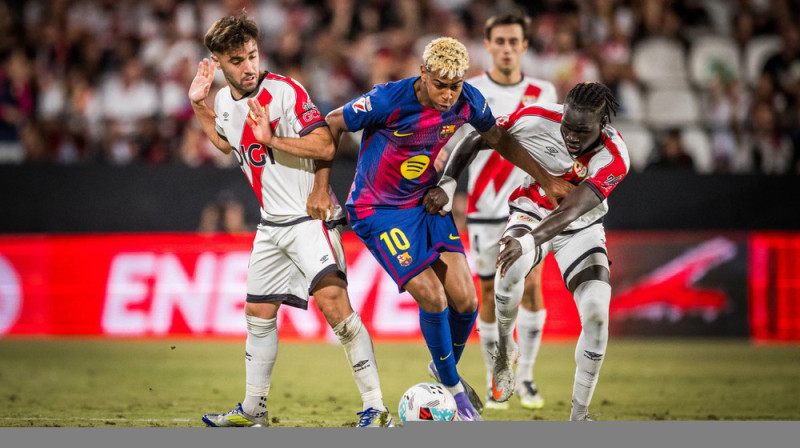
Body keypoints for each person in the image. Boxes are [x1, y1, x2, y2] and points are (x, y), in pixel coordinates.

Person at [325, 36, 572, 421]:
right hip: (378, 210)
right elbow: (334, 121)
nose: (447, 94)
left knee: (468, 302)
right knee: (434, 297)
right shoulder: (388, 100)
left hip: (425, 202)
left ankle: (440, 369)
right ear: (422, 73)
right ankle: (454, 388)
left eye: (454, 86)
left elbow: (500, 140)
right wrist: (321, 188)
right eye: (440, 84)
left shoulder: (468, 99)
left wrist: (547, 179)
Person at [188, 10, 393, 427]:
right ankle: (253, 409)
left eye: (251, 55)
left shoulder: (284, 91)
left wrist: (273, 140)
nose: (249, 67)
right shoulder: (225, 100)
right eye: (237, 61)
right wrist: (198, 105)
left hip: (307, 220)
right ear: (219, 63)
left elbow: (324, 143)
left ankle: (377, 407)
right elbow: (226, 144)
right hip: (270, 226)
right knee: (257, 316)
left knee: (336, 309)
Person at [425, 81, 628, 421]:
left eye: (582, 131)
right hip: (531, 211)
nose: (572, 137)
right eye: (568, 127)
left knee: (596, 313)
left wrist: (529, 241)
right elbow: (480, 136)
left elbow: (572, 210)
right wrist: (448, 182)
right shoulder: (537, 118)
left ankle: (580, 415)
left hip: (583, 228)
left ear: (603, 124)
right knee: (512, 267)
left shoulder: (615, 156)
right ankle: (506, 349)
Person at [440, 12, 558, 411]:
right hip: (484, 209)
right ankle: (497, 375)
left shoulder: (544, 91)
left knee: (532, 287)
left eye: (514, 42)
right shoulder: (469, 90)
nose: (507, 49)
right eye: (500, 42)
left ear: (525, 46)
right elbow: (453, 144)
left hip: (529, 208)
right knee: (488, 292)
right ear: (487, 46)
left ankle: (525, 378)